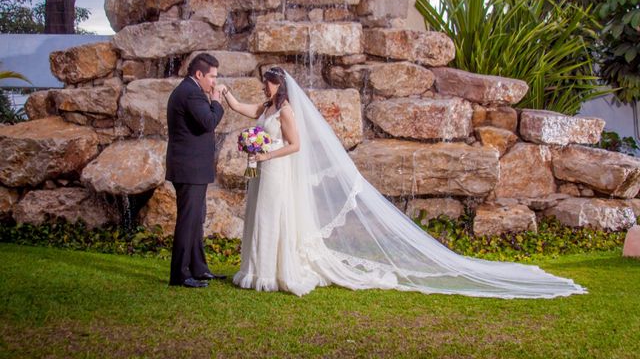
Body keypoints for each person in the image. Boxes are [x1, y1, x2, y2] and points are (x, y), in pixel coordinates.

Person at [219, 66, 587, 298]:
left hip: (276, 170)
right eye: (263, 86)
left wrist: (266, 154)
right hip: (261, 173)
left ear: (277, 86)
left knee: (274, 217)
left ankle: (274, 272)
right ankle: (255, 269)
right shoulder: (266, 109)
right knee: (260, 216)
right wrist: (225, 95)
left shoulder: (285, 111)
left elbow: (296, 146)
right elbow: (241, 109)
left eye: (267, 85)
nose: (264, 90)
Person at [166, 53, 227, 288]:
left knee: (196, 220)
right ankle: (180, 275)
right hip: (189, 170)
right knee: (188, 220)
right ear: (199, 74)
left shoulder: (189, 90)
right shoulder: (191, 92)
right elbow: (209, 122)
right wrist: (216, 99)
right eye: (212, 77)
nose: (214, 82)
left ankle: (199, 268)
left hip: (192, 169)